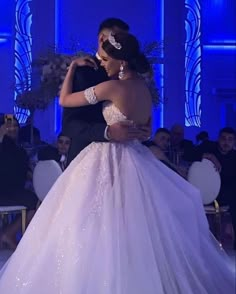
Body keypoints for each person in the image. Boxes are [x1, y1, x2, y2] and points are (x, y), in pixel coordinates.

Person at [0, 32, 234, 294]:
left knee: (95, 221)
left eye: (106, 59)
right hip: (136, 158)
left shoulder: (112, 87)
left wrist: (74, 68)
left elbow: (65, 100)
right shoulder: (144, 89)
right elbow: (147, 128)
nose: (102, 64)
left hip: (107, 156)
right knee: (133, 222)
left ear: (121, 61)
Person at [62, 18, 150, 165]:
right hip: (87, 157)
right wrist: (107, 132)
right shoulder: (84, 72)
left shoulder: (130, 81)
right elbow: (69, 123)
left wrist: (143, 131)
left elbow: (142, 122)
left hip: (126, 159)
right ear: (102, 39)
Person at [0, 115, 38, 249]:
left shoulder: (19, 148)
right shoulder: (3, 145)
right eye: (8, 126)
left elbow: (23, 170)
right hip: (4, 191)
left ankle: (8, 232)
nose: (12, 129)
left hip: (14, 190)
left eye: (15, 126)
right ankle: (9, 233)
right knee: (34, 201)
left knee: (36, 198)